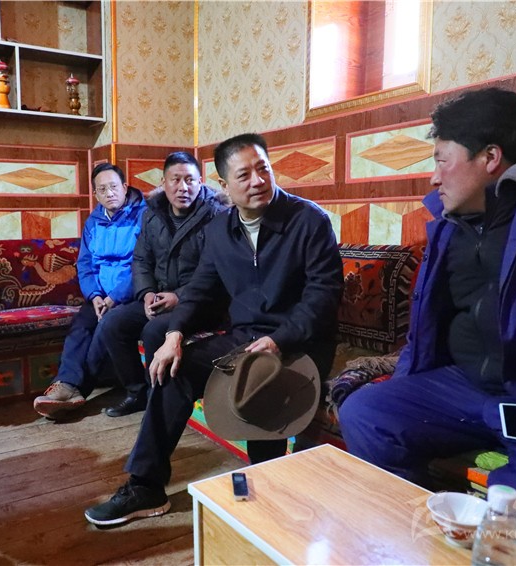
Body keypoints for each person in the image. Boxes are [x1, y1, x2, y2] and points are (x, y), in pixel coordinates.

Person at [338, 87, 516, 548]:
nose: (434, 178)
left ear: (490, 157)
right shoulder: (453, 222)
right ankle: (422, 542)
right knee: (367, 413)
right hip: (466, 388)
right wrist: (409, 374)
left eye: (441, 160)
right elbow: (431, 322)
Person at [84, 133, 343, 526]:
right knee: (172, 369)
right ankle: (146, 485)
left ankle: (266, 497)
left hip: (300, 341)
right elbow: (202, 289)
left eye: (263, 169)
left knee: (260, 381)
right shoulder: (221, 229)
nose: (258, 181)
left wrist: (279, 339)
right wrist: (174, 335)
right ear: (224, 185)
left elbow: (323, 297)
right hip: (247, 338)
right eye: (244, 175)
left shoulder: (308, 220)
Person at [99, 151, 229, 417]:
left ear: (200, 182)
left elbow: (216, 272)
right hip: (159, 297)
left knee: (154, 331)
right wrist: (147, 293)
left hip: (203, 303)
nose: (183, 187)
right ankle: (138, 393)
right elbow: (141, 260)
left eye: (190, 180)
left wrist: (178, 297)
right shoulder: (152, 214)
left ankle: (160, 402)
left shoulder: (217, 215)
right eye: (175, 180)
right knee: (112, 324)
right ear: (164, 182)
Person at [33, 163, 147, 418]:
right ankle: (65, 384)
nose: (109, 193)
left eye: (113, 187)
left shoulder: (145, 216)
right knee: (81, 326)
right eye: (102, 189)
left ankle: (76, 393)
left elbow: (143, 264)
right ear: (95, 194)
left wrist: (114, 297)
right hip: (100, 295)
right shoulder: (94, 221)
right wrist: (94, 296)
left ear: (125, 187)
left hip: (130, 295)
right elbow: (84, 264)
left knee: (104, 328)